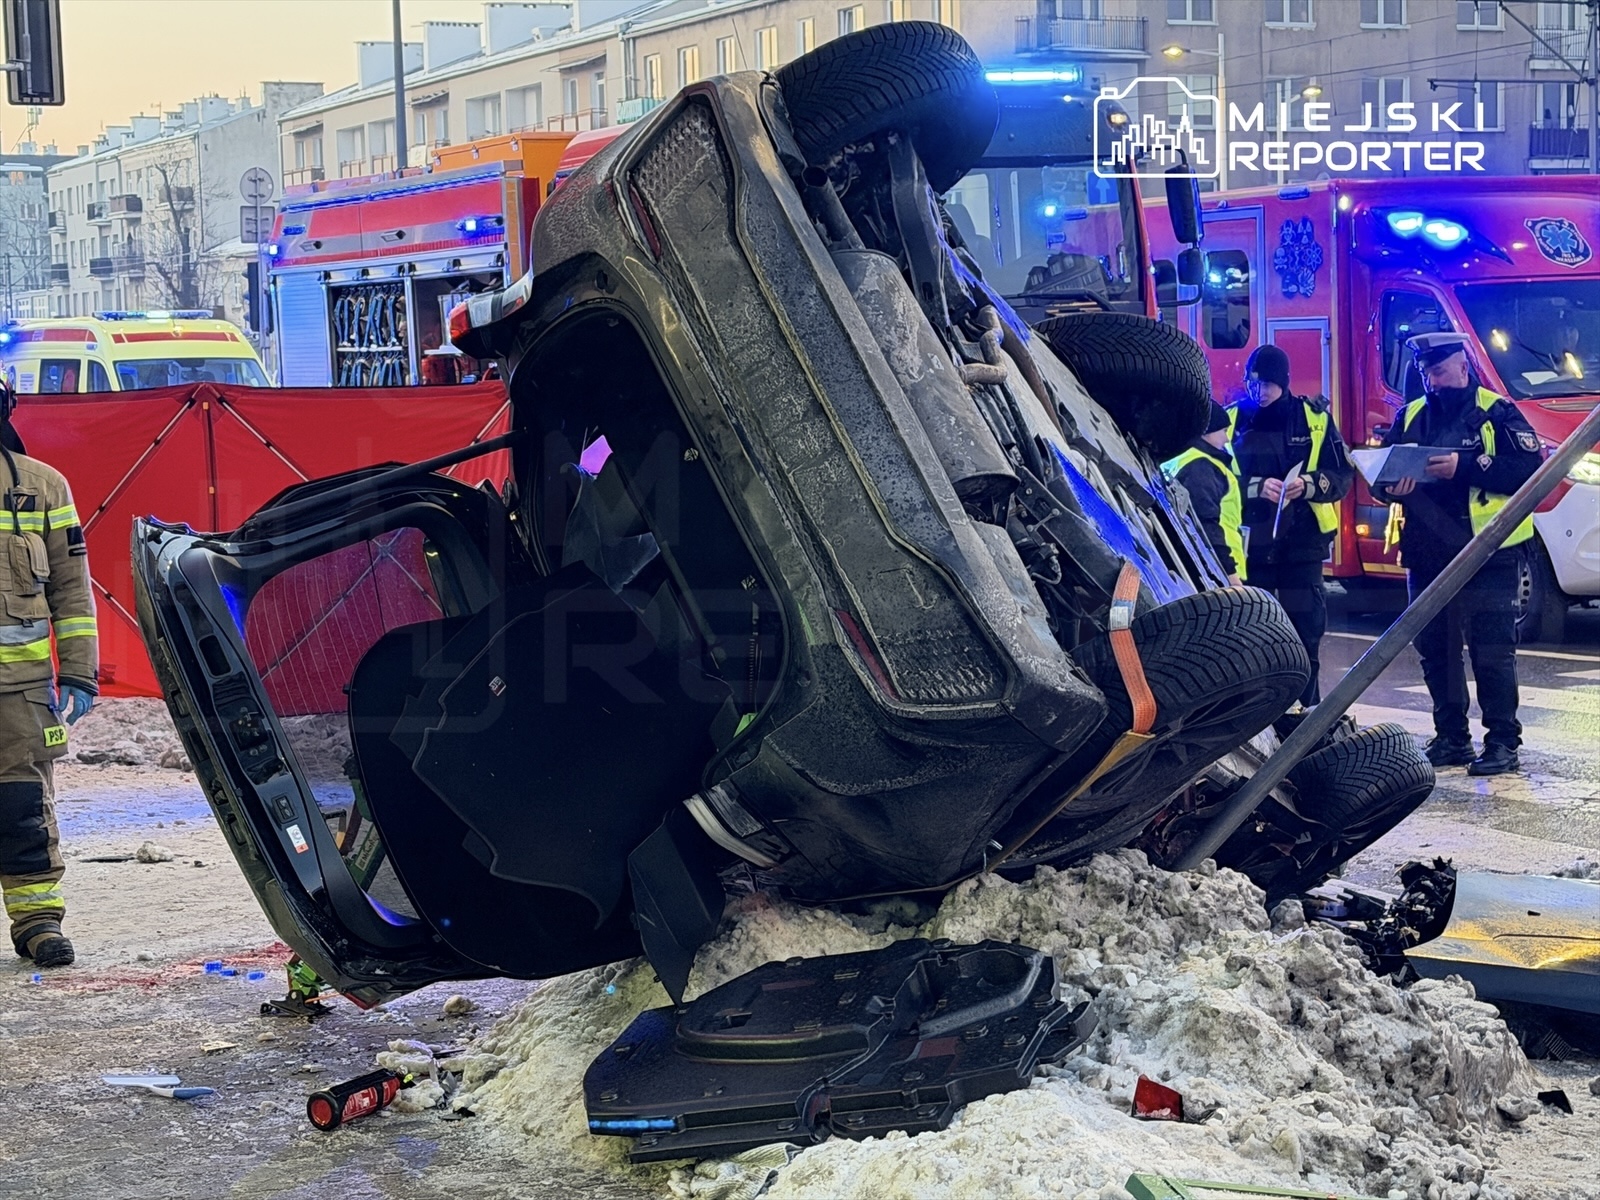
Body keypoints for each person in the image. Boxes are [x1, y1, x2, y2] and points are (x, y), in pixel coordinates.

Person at [1372, 332, 1544, 777]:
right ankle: (1452, 738)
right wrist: (1391, 486)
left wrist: (1464, 466)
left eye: (1440, 370)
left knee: (1491, 650)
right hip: (1426, 553)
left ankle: (1503, 742)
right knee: (1436, 651)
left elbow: (1530, 471)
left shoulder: (1496, 411)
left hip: (1487, 552)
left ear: (1462, 366)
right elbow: (1378, 475)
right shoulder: (1410, 415)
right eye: (1426, 372)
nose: (1432, 380)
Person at [0, 381, 97, 968]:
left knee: (22, 805)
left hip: (20, 691)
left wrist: (80, 673)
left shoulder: (39, 488)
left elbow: (72, 590)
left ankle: (37, 921)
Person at [1231, 344, 1352, 707]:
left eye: (1267, 385)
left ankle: (1306, 713)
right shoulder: (1233, 419)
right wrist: (1255, 487)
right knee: (1256, 637)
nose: (1260, 392)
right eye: (1254, 385)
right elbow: (1211, 477)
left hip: (1302, 545)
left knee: (1305, 633)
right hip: (1252, 545)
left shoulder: (1314, 419)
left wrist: (1309, 485)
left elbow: (1342, 475)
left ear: (1284, 382)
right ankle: (1259, 718)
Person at [1166, 400, 1245, 586]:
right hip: (1213, 572)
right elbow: (1205, 524)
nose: (1227, 439)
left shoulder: (1184, 459)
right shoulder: (1201, 467)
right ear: (1206, 432)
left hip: (1198, 567)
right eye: (1224, 431)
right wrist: (1229, 573)